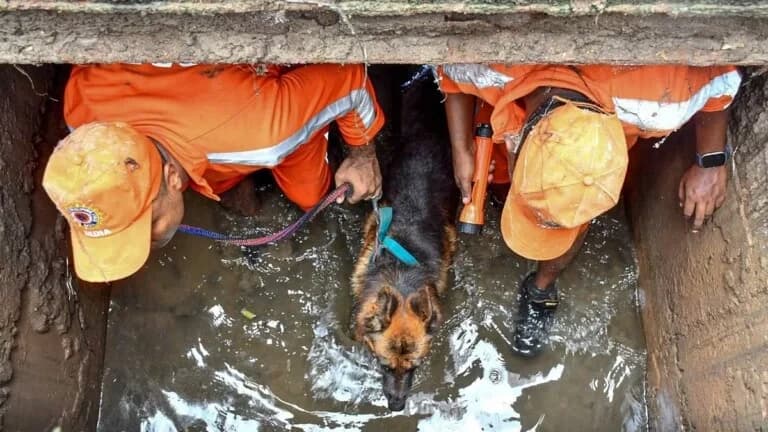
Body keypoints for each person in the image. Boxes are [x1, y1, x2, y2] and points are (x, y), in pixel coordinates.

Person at [437, 64, 741, 356]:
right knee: (500, 178)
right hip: (520, 92)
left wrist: (710, 161)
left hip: (615, 107)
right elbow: (451, 63)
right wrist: (461, 148)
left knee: (569, 216)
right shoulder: (494, 67)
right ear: (522, 137)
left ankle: (541, 289)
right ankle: (507, 196)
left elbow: (720, 81)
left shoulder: (660, 105)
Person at [43, 63, 385, 283]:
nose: (148, 241)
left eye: (149, 226)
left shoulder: (265, 136)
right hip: (213, 110)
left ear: (173, 178)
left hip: (253, 104)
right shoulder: (81, 114)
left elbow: (351, 81)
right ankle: (233, 181)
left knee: (309, 195)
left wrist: (362, 153)